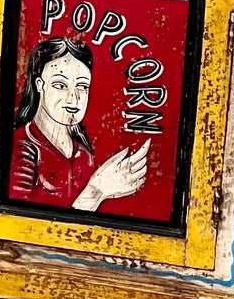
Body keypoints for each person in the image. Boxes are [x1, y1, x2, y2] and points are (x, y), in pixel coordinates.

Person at [9, 35, 149, 212]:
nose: (73, 98)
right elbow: (18, 222)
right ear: (39, 85)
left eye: (82, 86)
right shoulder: (21, 148)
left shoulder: (84, 155)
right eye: (60, 85)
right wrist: (96, 191)